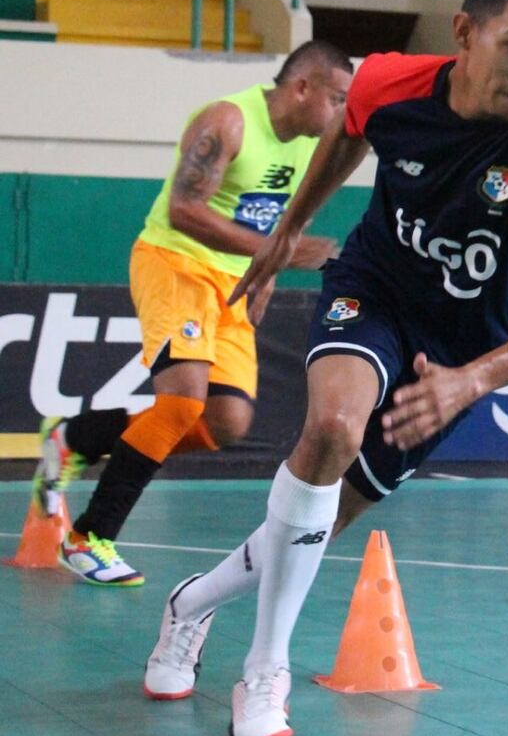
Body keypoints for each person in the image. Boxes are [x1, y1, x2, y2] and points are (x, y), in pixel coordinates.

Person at [140, 0, 508, 736]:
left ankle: (191, 602)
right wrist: (288, 230)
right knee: (331, 432)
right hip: (374, 290)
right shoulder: (392, 83)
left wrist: (472, 380)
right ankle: (266, 670)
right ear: (465, 33)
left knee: (321, 522)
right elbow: (349, 134)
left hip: (457, 354)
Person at [33, 41, 353, 586]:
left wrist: (266, 272)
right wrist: (275, 255)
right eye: (337, 98)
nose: (342, 112)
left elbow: (275, 219)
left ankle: (76, 438)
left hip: (233, 278)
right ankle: (90, 536)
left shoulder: (313, 146)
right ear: (302, 88)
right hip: (173, 262)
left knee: (226, 421)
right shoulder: (227, 121)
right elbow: (184, 210)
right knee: (181, 402)